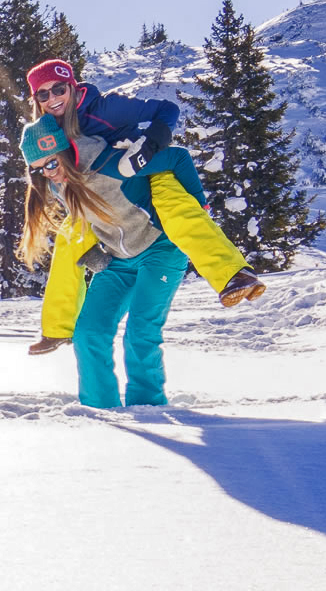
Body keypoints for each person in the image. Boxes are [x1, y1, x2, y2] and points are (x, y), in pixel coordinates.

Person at [23, 57, 265, 306]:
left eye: (59, 89)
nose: (52, 99)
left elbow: (168, 110)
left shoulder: (105, 108)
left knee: (175, 211)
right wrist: (91, 249)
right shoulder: (50, 130)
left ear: (72, 87)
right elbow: (65, 187)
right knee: (68, 233)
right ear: (36, 101)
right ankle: (58, 328)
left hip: (148, 170)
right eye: (43, 95)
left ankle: (233, 275)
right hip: (114, 190)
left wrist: (147, 147)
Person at [17, 116, 196, 408]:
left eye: (52, 163)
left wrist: (198, 204)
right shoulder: (58, 186)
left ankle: (148, 408)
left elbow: (174, 159)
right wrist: (95, 253)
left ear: (65, 152)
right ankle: (99, 410)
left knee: (140, 331)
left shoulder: (110, 163)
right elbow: (85, 224)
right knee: (89, 332)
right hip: (119, 259)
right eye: (38, 170)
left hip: (160, 248)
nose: (49, 174)